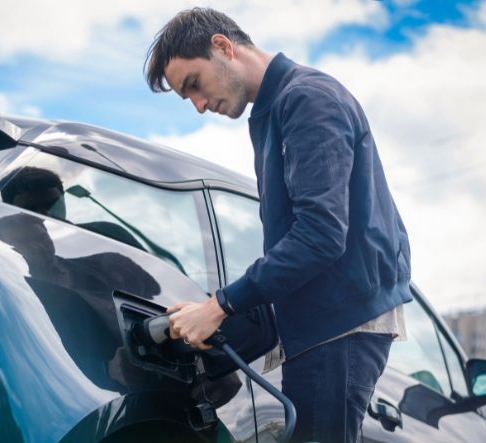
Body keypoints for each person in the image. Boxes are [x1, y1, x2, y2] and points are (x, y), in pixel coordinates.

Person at [144, 8, 412, 443]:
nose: (198, 106)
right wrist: (215, 317)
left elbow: (320, 237)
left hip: (338, 327)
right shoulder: (274, 112)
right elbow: (299, 247)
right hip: (322, 324)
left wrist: (219, 306)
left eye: (194, 84)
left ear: (223, 46)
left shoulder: (308, 99)